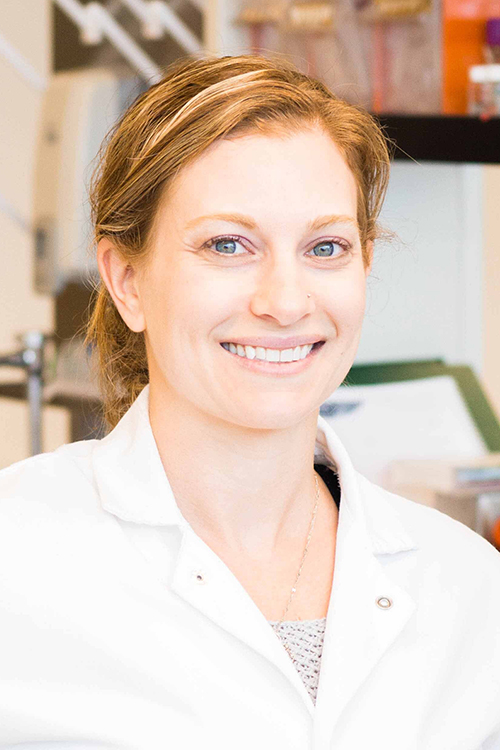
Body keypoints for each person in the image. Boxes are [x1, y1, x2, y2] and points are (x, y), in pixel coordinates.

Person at [0, 53, 499, 750]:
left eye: (325, 247)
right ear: (127, 280)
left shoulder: (470, 590)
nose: (285, 301)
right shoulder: (17, 561)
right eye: (228, 245)